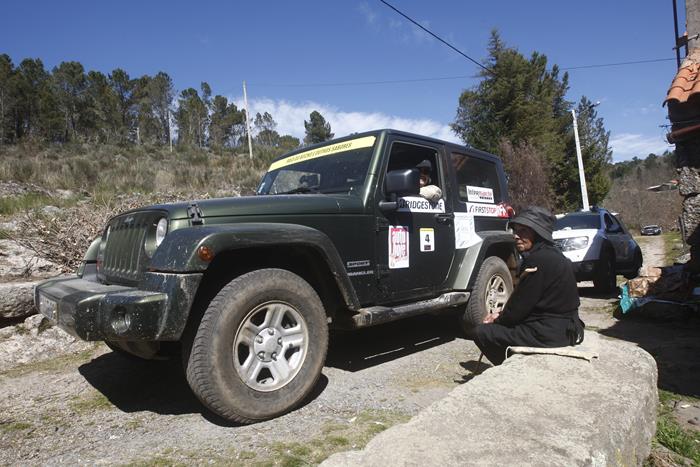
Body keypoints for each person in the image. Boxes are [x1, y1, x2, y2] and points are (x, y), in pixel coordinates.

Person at [474, 206, 584, 366]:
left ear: (538, 233)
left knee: (482, 332)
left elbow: (520, 307)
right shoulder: (554, 255)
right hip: (568, 328)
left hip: (550, 333)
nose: (517, 236)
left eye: (524, 231)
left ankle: (510, 368)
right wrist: (501, 314)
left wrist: (496, 320)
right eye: (516, 231)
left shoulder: (538, 261)